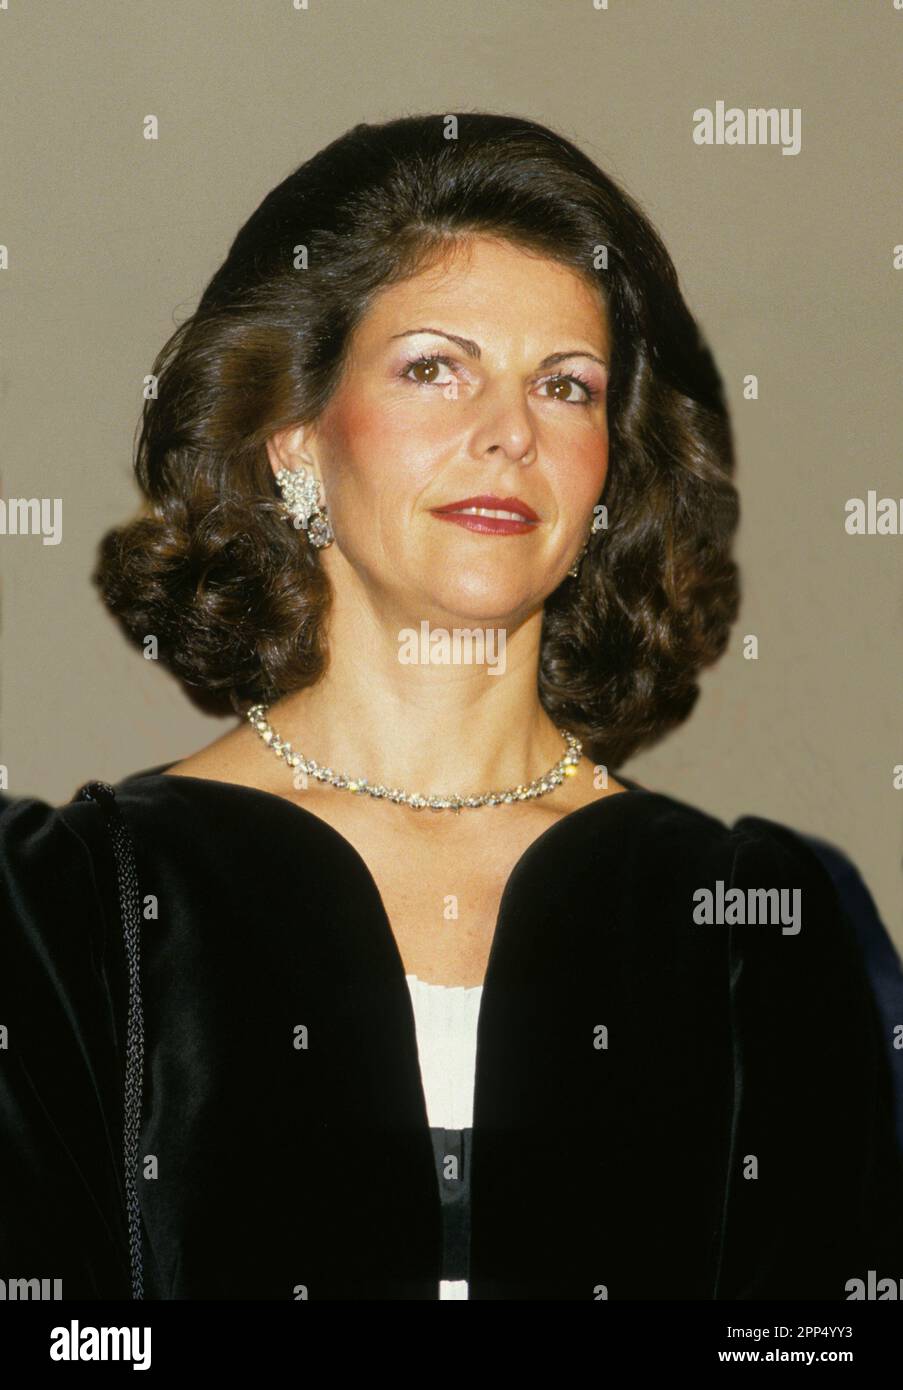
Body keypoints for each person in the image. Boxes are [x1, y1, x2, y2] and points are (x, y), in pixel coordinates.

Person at [2, 112, 902, 1301]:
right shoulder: (63, 910)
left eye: (566, 387)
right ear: (295, 440)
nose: (510, 433)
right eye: (436, 366)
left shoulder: (763, 926)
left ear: (608, 480)